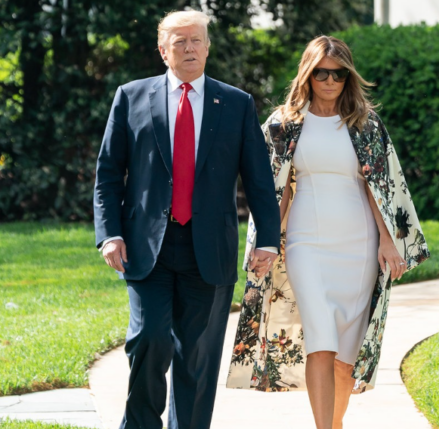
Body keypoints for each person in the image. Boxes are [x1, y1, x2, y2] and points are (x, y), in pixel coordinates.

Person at [226, 36, 430, 429]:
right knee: (320, 342)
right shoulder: (284, 124)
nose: (330, 80)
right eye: (321, 72)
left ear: (348, 76)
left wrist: (389, 241)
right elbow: (276, 189)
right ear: (308, 73)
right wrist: (267, 243)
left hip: (358, 244)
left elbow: (380, 187)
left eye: (338, 73)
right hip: (305, 243)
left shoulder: (365, 124)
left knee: (345, 361)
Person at [93, 10, 280, 429]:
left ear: (208, 47)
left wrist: (268, 237)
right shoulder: (130, 96)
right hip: (147, 247)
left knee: (196, 357)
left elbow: (258, 177)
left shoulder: (235, 103)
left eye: (196, 40)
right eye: (180, 41)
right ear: (163, 50)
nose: (190, 48)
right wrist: (110, 234)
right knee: (150, 340)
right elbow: (108, 173)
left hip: (208, 248)